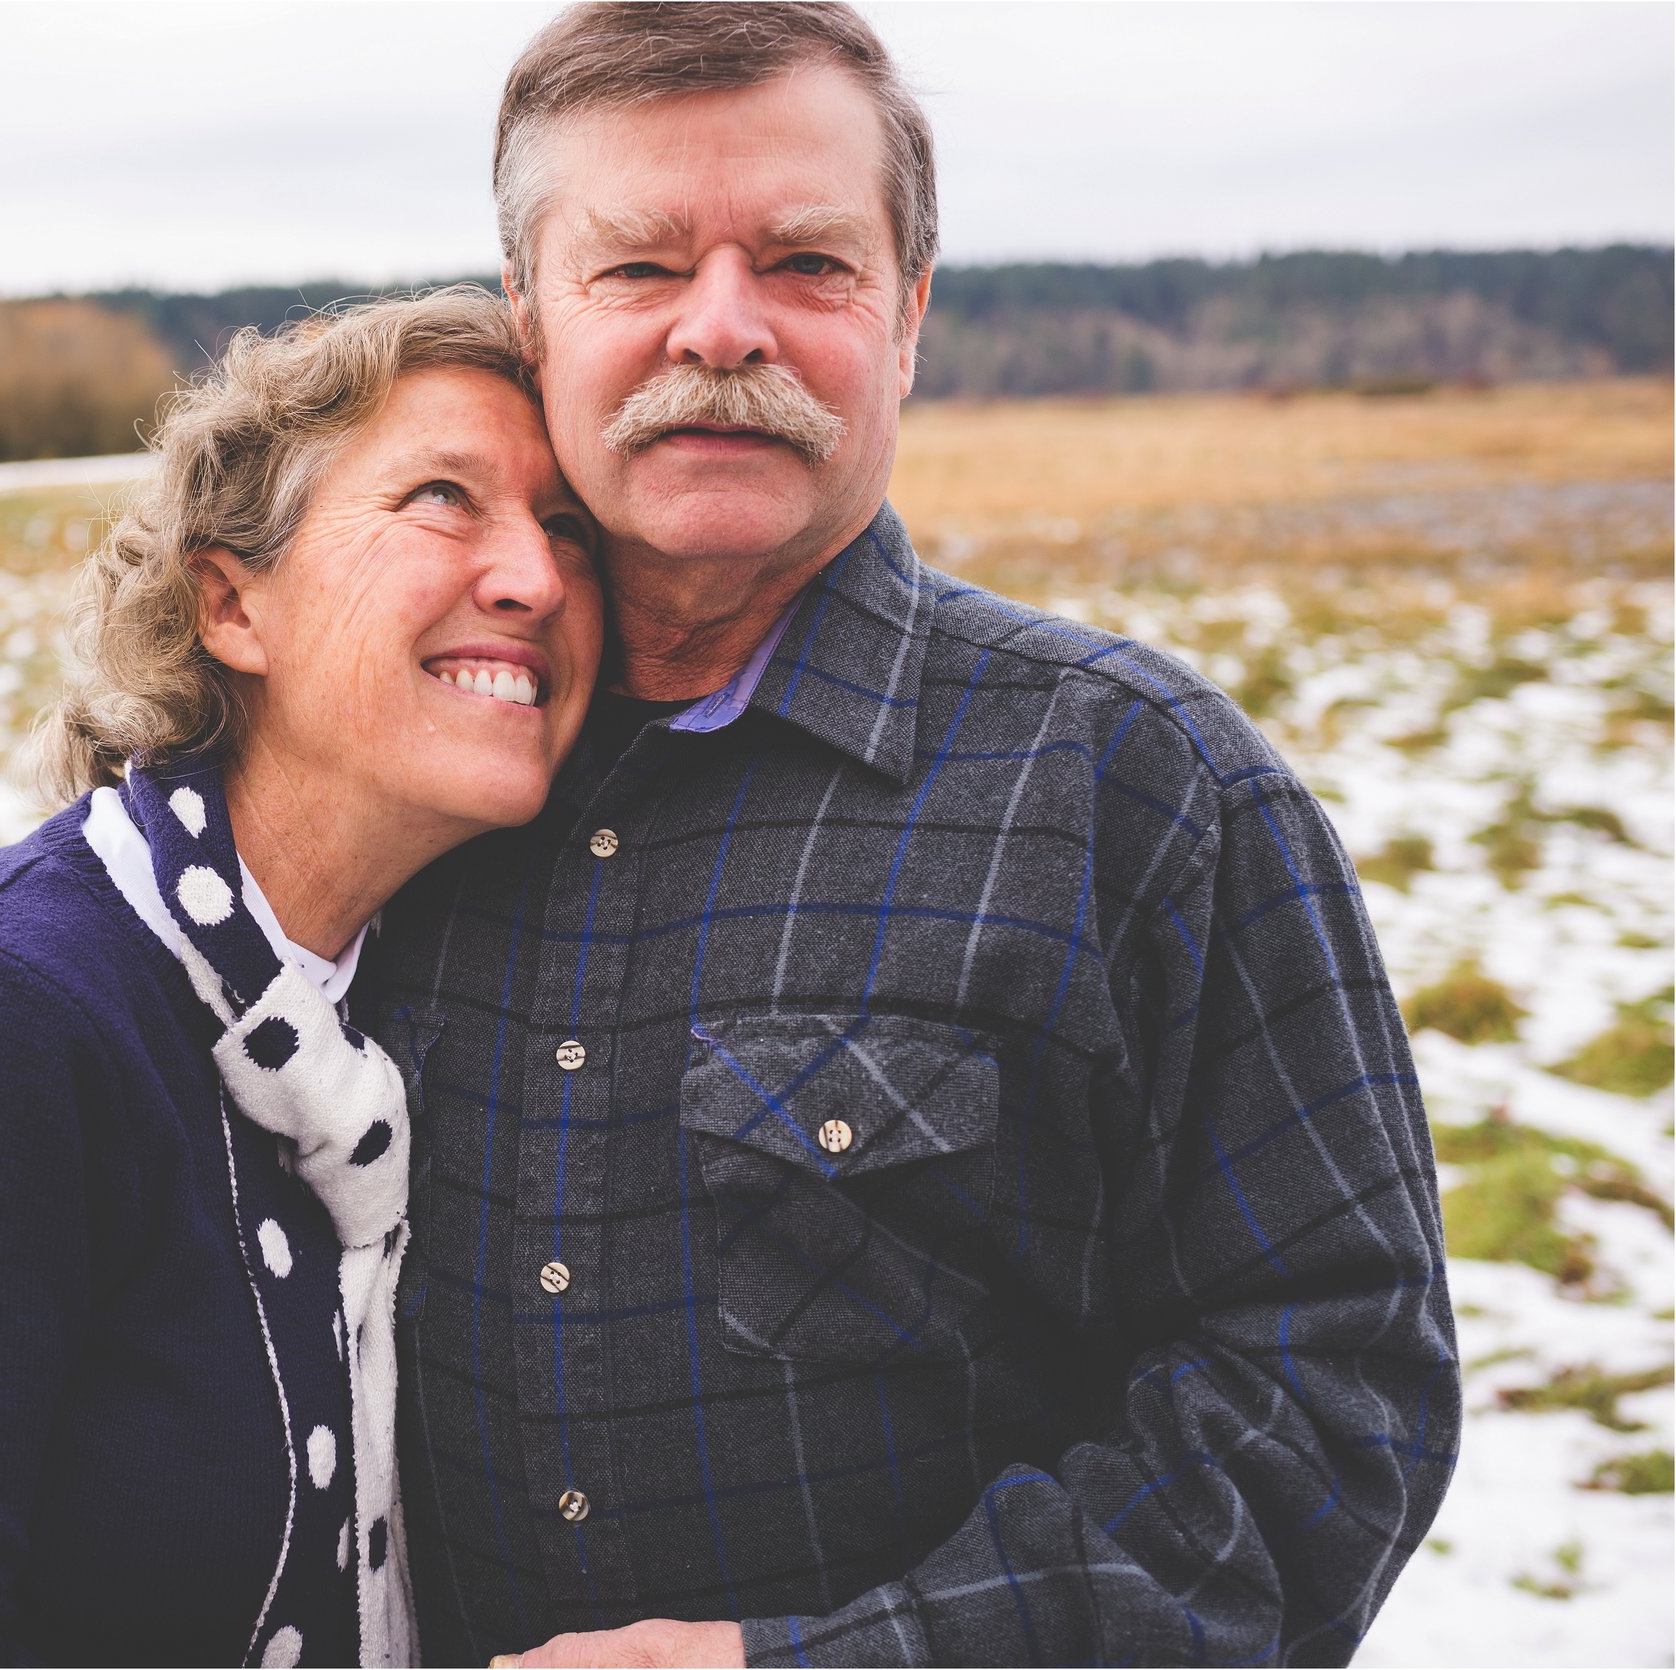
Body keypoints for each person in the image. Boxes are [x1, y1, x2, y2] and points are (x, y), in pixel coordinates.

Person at [376, 7, 1461, 1667]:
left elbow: (1335, 1398)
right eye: (639, 268)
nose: (722, 328)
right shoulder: (399, 777)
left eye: (808, 262)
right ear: (531, 315)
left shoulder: (1136, 789)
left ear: (910, 318)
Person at [0, 287, 603, 1667]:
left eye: (567, 530)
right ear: (232, 599)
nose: (536, 578)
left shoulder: (431, 994)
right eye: (443, 497)